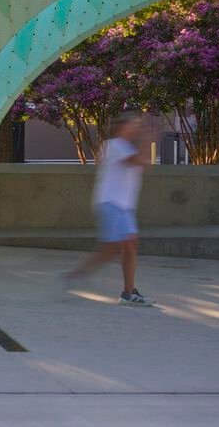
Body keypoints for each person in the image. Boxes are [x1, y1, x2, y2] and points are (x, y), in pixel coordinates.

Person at [63, 113, 156, 306]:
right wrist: (148, 138)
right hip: (111, 203)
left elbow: (145, 164)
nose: (136, 127)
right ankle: (74, 276)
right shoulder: (113, 146)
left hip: (124, 206)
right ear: (122, 126)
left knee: (128, 247)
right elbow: (138, 162)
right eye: (134, 124)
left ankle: (128, 292)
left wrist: (146, 141)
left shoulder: (126, 147)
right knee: (113, 249)